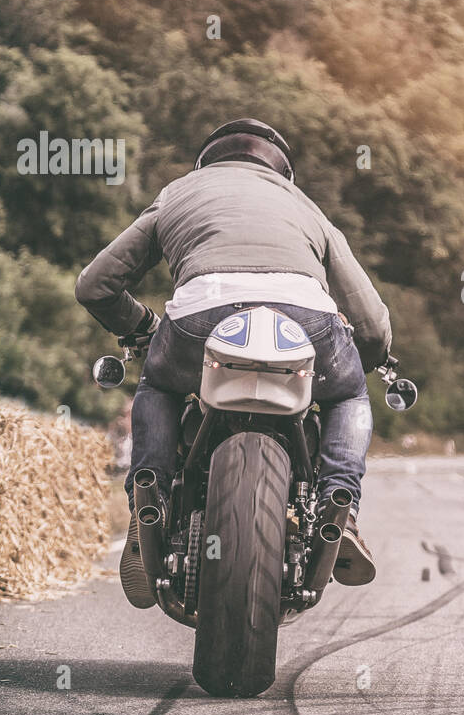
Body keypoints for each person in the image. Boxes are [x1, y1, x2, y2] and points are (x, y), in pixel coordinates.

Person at [75, 119, 390, 608]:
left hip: (201, 317)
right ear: (283, 172)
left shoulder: (178, 192)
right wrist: (360, 362)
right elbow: (371, 323)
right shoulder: (308, 209)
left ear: (206, 163)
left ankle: (148, 499)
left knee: (157, 385)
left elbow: (94, 285)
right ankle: (339, 506)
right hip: (306, 321)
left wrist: (141, 327)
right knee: (349, 393)